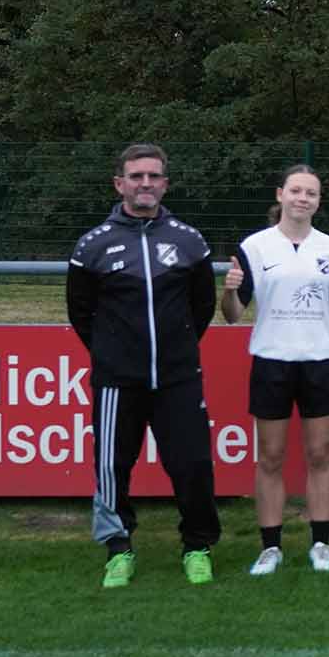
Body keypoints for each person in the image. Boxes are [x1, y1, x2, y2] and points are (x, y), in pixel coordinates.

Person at [66, 143, 222, 588]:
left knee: (192, 464)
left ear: (165, 184)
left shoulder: (189, 241)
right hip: (118, 381)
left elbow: (202, 307)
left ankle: (197, 546)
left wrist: (176, 349)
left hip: (177, 378)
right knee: (112, 467)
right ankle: (118, 549)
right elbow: (81, 311)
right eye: (136, 176)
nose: (145, 184)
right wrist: (112, 354)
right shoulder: (93, 245)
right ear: (120, 184)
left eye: (153, 176)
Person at [223, 165, 329, 576]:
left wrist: (307, 332)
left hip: (319, 362)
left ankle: (321, 543)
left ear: (318, 201)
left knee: (320, 454)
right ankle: (270, 547)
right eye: (295, 190)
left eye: (310, 193)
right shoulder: (255, 248)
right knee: (272, 457)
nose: (302, 198)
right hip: (271, 361)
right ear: (280, 195)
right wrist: (229, 289)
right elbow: (232, 315)